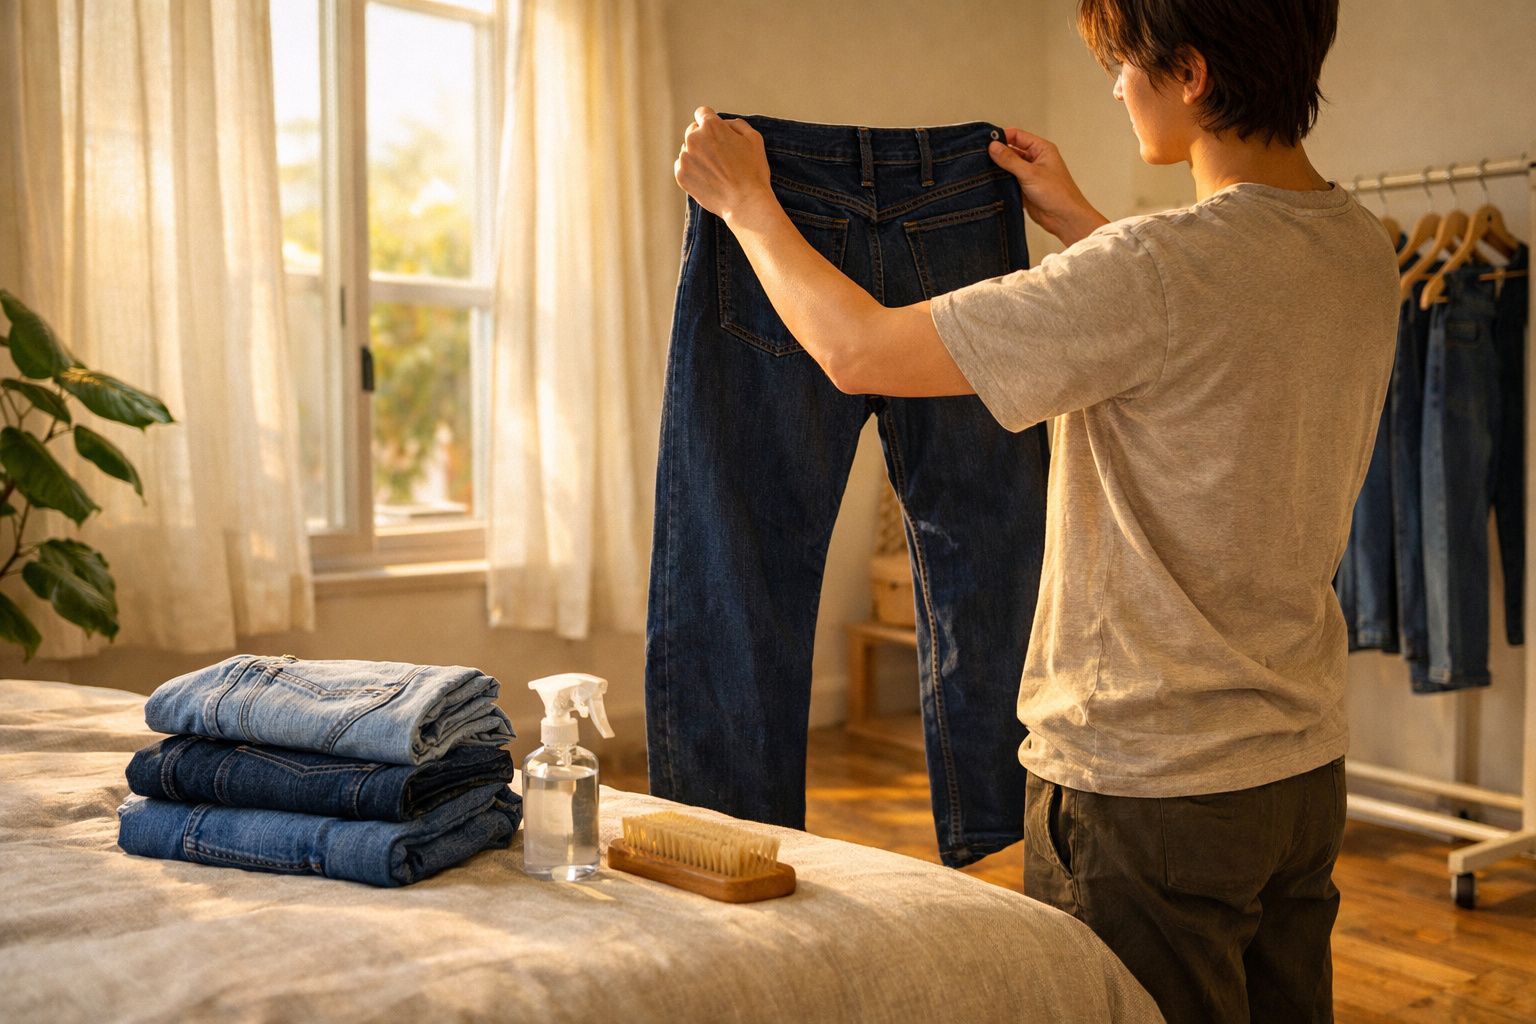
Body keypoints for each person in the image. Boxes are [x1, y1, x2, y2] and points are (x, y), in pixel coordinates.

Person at [672, 0, 1397, 1021]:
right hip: (1297, 773)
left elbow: (859, 351)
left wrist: (748, 205)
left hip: (1146, 789)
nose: (1114, 86)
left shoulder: (1150, 273)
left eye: (1124, 65)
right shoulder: (1360, 249)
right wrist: (1077, 219)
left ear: (1187, 73)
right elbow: (1211, 334)